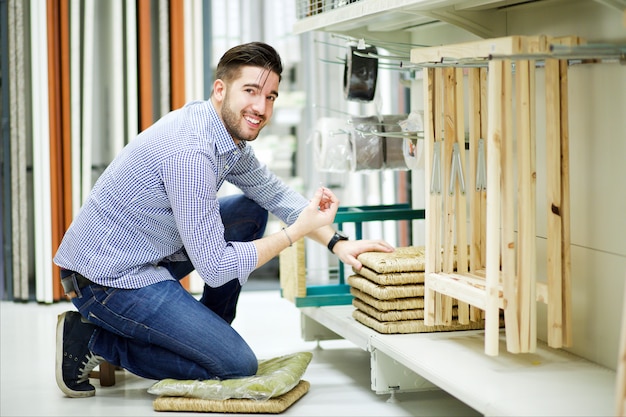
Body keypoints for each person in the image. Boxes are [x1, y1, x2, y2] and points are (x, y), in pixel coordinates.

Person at [54, 41, 394, 398]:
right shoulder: (191, 153)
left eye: (271, 97)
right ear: (220, 89)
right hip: (106, 281)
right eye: (250, 91)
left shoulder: (223, 134)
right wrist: (293, 234)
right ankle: (93, 338)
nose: (261, 108)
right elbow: (215, 268)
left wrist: (338, 242)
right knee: (235, 367)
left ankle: (208, 334)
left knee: (250, 209)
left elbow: (273, 193)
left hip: (146, 255)